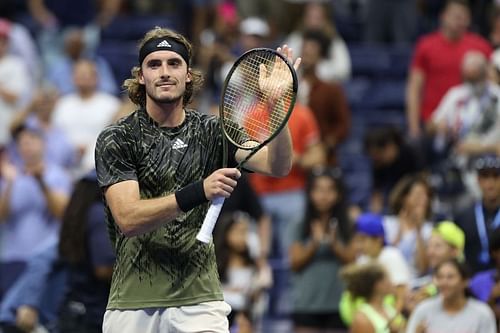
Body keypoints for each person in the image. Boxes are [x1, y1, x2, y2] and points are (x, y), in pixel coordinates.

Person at [94, 27, 301, 333]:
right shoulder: (118, 138)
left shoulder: (214, 132)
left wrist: (276, 105)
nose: (165, 72)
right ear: (141, 76)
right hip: (133, 300)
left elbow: (279, 165)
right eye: (155, 64)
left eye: (174, 64)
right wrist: (200, 191)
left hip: (199, 301)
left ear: (188, 74)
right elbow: (128, 218)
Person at [406, 0, 492, 139]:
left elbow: (492, 82)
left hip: (471, 124)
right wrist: (414, 127)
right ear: (443, 16)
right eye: (456, 16)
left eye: (464, 17)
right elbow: (414, 87)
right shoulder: (426, 45)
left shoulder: (481, 46)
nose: (460, 21)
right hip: (432, 122)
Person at [288, 167, 355, 333]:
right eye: (318, 190)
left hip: (339, 303)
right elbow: (295, 263)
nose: (324, 196)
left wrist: (334, 244)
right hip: (307, 303)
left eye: (330, 190)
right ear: (310, 193)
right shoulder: (299, 224)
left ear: (338, 194)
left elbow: (353, 261)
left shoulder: (348, 224)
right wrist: (314, 243)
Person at [406, 258, 497, 333]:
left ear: (465, 281)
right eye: (440, 277)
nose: (444, 282)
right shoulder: (423, 310)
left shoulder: (482, 313)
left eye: (450, 277)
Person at [455, 154, 500, 274]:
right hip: (472, 282)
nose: (490, 183)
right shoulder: (463, 217)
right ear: (478, 180)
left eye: (496, 176)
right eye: (485, 176)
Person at [383, 174, 434, 279]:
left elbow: (423, 268)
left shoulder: (429, 230)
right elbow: (385, 260)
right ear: (404, 198)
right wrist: (399, 232)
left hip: (417, 283)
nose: (424, 200)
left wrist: (419, 232)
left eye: (426, 195)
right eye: (418, 195)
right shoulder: (387, 224)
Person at [341, 262, 405, 333]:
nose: (391, 282)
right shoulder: (362, 319)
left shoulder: (389, 309)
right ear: (377, 285)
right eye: (387, 278)